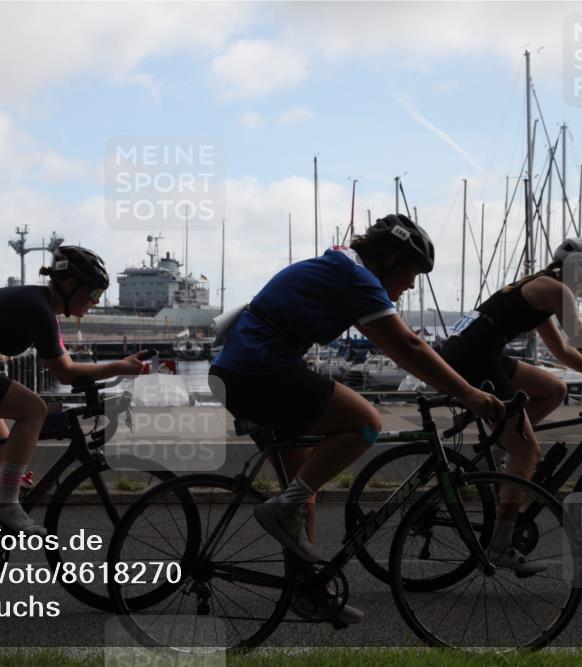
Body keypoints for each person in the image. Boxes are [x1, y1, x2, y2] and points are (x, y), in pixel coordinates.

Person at [209, 213, 504, 623]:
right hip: (260, 369)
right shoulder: (355, 278)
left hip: (242, 372)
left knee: (302, 490)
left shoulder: (342, 268)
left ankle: (308, 592)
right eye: (413, 272)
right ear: (390, 259)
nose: (412, 285)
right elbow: (407, 346)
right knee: (366, 422)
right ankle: (285, 516)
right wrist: (468, 393)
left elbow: (396, 344)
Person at [0, 246, 151, 535]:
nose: (95, 301)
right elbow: (66, 372)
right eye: (94, 293)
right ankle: (7, 503)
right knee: (34, 409)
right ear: (69, 285)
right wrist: (120, 367)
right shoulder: (37, 308)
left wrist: (117, 369)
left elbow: (68, 365)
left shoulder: (41, 306)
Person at [440, 237, 582, 574]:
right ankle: (500, 544)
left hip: (479, 352)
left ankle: (499, 451)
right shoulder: (555, 290)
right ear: (581, 269)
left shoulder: (543, 286)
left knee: (554, 389)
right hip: (474, 358)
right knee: (528, 451)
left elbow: (562, 352)